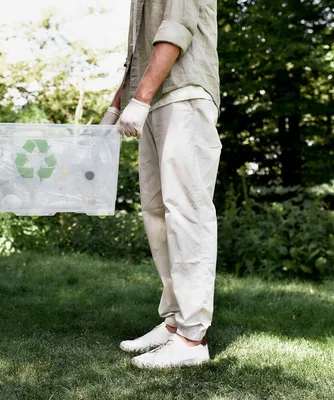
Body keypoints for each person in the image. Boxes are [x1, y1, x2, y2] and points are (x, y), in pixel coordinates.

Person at [101, 0, 221, 369]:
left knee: (187, 213)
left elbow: (176, 29)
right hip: (151, 102)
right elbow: (138, 55)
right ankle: (173, 321)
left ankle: (191, 337)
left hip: (183, 94)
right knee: (157, 213)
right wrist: (115, 107)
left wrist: (139, 100)